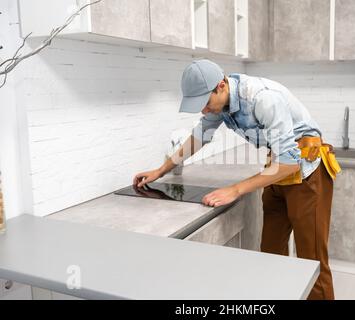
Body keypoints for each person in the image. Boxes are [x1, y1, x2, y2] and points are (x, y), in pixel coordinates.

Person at [133, 59, 341, 300]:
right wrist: (161, 170)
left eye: (205, 103)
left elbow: (290, 161)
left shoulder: (262, 98)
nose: (204, 110)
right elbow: (199, 137)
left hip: (307, 173)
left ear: (221, 86)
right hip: (277, 172)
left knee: (312, 262)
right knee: (271, 255)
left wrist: (235, 189)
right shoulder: (222, 105)